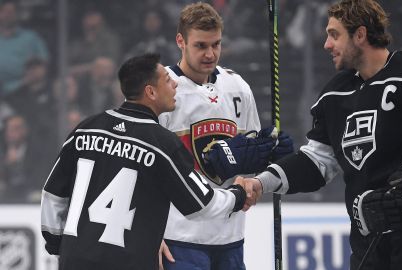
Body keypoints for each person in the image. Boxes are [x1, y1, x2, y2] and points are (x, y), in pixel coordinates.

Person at [239, 0, 402, 269]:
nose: (327, 45)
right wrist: (260, 184)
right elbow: (316, 162)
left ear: (360, 34)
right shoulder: (333, 94)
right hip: (368, 237)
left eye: (334, 35)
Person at [40, 53, 251, 270]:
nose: (175, 83)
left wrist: (56, 244)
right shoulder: (162, 143)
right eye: (168, 81)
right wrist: (238, 195)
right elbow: (201, 204)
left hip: (74, 260)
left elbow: (52, 195)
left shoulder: (86, 128)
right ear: (151, 92)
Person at [157, 2, 293, 270]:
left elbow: (251, 152)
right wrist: (149, 233)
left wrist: (255, 174)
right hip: (179, 235)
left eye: (216, 44)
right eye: (201, 45)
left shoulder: (238, 86)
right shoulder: (162, 89)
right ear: (180, 41)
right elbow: (146, 168)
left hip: (230, 235)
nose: (210, 53)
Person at [0, 0, 49, 94]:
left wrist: (29, 79)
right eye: (4, 12)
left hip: (23, 89)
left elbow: (43, 64)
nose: (7, 15)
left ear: (18, 14)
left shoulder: (31, 38)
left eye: (11, 12)